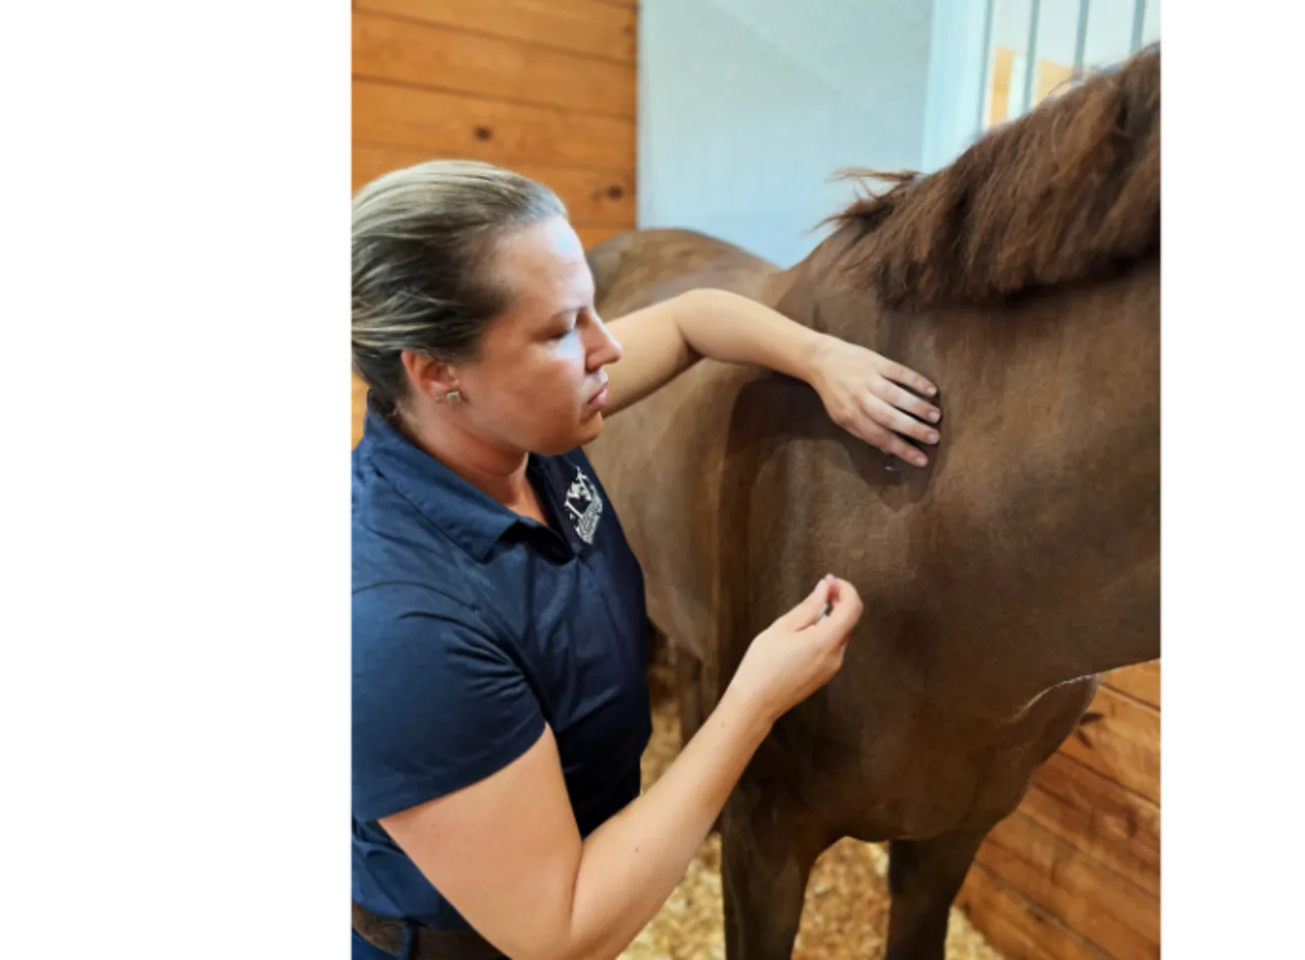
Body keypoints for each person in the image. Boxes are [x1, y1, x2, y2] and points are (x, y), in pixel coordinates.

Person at [345, 160, 943, 960]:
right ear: (436, 372)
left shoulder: (514, 430)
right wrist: (751, 702)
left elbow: (694, 319)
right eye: (560, 330)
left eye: (592, 309)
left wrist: (819, 358)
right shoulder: (400, 623)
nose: (606, 347)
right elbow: (559, 931)